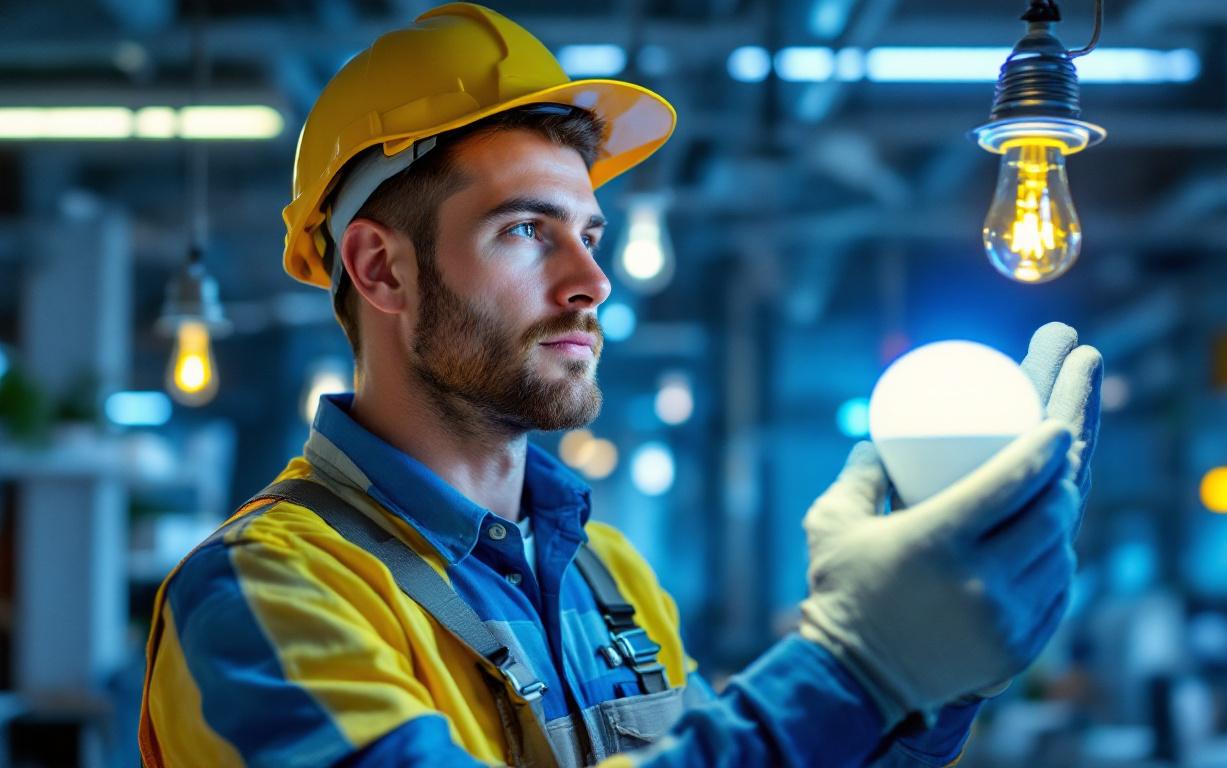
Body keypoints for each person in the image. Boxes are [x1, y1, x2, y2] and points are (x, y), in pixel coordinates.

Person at [138, 4, 1104, 766]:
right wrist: (854, 667)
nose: (591, 282)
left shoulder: (609, 575)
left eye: (588, 235)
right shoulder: (260, 595)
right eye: (525, 230)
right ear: (381, 269)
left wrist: (936, 657)